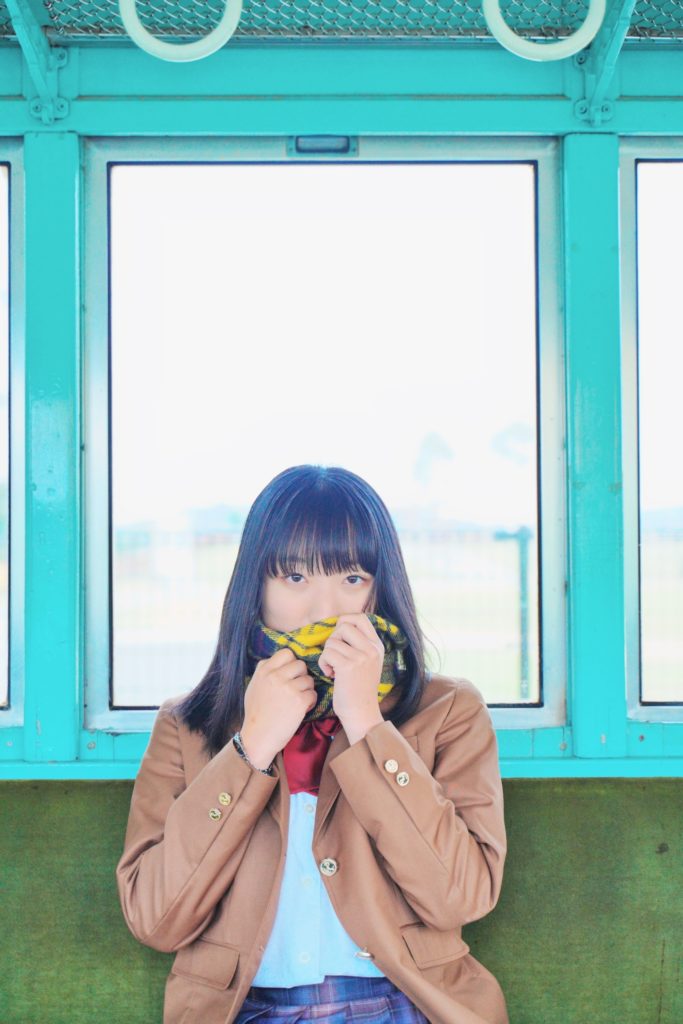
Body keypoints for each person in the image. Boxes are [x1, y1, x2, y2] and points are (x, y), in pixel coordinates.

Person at [116, 464, 509, 1024]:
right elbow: (156, 919)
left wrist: (367, 725)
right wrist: (251, 748)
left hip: (407, 1007)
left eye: (352, 578)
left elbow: (460, 898)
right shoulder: (188, 724)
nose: (326, 610)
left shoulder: (449, 711)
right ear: (256, 586)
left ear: (381, 588)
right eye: (296, 577)